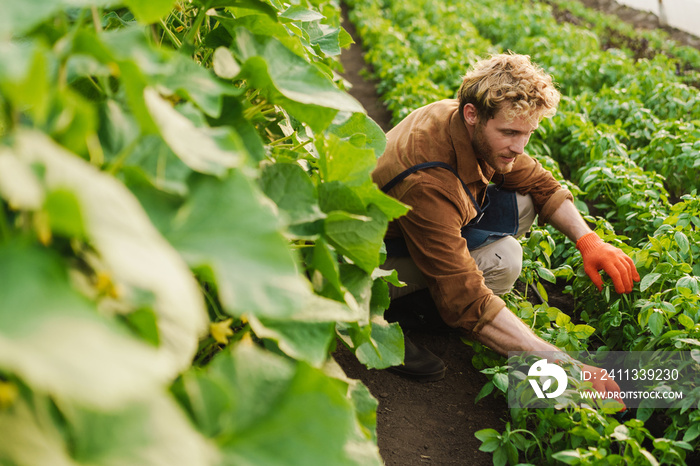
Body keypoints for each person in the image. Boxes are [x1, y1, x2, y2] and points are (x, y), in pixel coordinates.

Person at [372, 53, 640, 399]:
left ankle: (420, 301)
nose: (519, 146)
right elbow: (466, 297)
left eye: (527, 133)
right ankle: (382, 311)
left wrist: (589, 241)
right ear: (473, 115)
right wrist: (560, 362)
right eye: (510, 132)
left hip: (412, 228)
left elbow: (541, 184)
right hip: (371, 259)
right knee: (503, 261)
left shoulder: (466, 122)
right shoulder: (429, 182)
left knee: (522, 207)